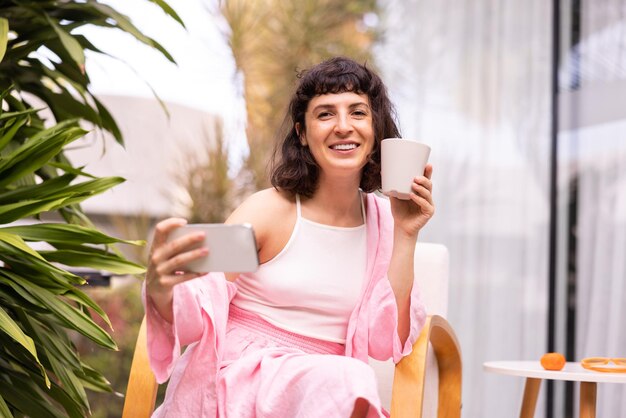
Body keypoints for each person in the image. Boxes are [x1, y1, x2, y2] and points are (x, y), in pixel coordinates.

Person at [143, 56, 434, 418]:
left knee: (348, 380)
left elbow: (384, 340)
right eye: (325, 114)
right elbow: (202, 297)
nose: (343, 126)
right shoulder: (268, 211)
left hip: (326, 395)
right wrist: (161, 287)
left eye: (358, 113)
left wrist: (406, 233)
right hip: (245, 382)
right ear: (302, 132)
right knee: (349, 379)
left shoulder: (383, 225)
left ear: (376, 131)